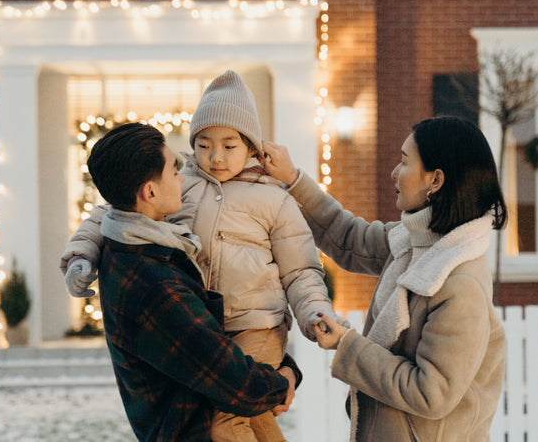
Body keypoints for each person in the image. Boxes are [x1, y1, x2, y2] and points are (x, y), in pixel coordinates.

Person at [61, 70, 345, 442]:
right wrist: (82, 252)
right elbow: (109, 212)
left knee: (226, 422)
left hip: (257, 324)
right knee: (255, 421)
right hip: (210, 328)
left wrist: (313, 313)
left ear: (251, 146)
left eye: (229, 146)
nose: (215, 157)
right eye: (204, 144)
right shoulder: (181, 183)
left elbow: (300, 271)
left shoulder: (275, 199)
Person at [261, 115, 507, 442]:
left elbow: (430, 394)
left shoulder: (459, 283)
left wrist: (347, 345)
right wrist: (293, 179)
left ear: (435, 180)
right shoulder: (413, 243)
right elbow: (348, 237)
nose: (394, 172)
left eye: (404, 162)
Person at [73, 122, 301, 442]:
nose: (183, 177)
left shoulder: (132, 246)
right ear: (150, 192)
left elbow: (206, 342)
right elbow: (232, 381)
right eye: (173, 171)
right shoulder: (153, 284)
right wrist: (286, 378)